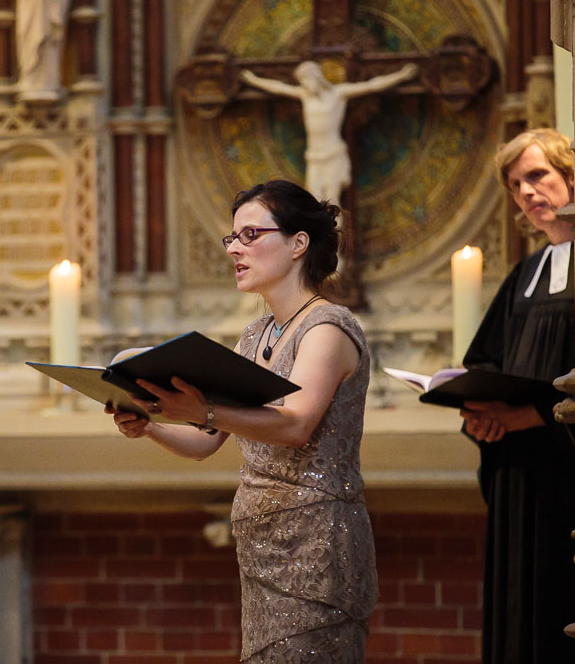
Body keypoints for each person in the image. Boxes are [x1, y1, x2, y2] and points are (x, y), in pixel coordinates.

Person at [106, 180, 377, 662]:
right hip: (260, 543)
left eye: (251, 235)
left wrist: (203, 410)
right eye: (232, 238)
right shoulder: (254, 336)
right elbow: (203, 443)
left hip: (317, 541)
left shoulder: (328, 327)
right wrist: (148, 421)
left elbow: (295, 426)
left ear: (298, 243)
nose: (235, 249)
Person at [460, 128, 575, 664]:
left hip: (572, 472)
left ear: (571, 176)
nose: (527, 192)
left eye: (537, 176)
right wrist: (481, 415)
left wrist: (529, 417)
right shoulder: (527, 272)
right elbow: (484, 361)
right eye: (516, 185)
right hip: (517, 473)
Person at [240, 61, 417, 203]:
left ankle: (337, 247)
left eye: (307, 80)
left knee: (332, 203)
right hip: (314, 157)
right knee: (314, 203)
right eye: (302, 82)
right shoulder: (304, 95)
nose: (306, 86)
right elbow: (277, 87)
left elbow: (371, 86)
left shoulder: (338, 94)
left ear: (317, 77)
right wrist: (253, 80)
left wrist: (401, 75)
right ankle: (320, 246)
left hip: (333, 154)